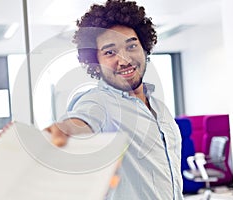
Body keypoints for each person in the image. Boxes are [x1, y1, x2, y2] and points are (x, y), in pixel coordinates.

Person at [44, 0, 184, 199]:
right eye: (110, 52)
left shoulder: (161, 109)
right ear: (96, 62)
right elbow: (79, 123)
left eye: (132, 46)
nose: (124, 59)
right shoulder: (98, 103)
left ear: (144, 48)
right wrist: (62, 134)